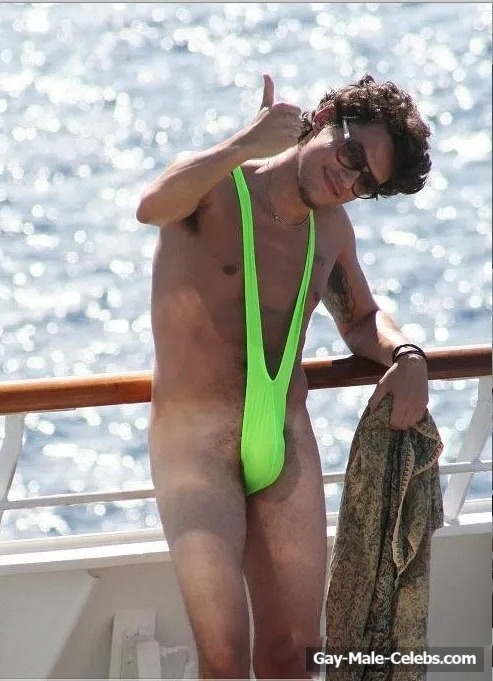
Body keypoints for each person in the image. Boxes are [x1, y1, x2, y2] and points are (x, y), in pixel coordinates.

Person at [136, 73, 432, 679]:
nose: (348, 181)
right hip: (195, 444)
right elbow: (152, 206)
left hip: (285, 439)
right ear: (325, 117)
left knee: (294, 656)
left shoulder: (330, 229)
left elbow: (361, 318)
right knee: (224, 660)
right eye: (351, 155)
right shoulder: (216, 186)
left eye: (366, 183)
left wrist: (407, 355)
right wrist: (244, 143)